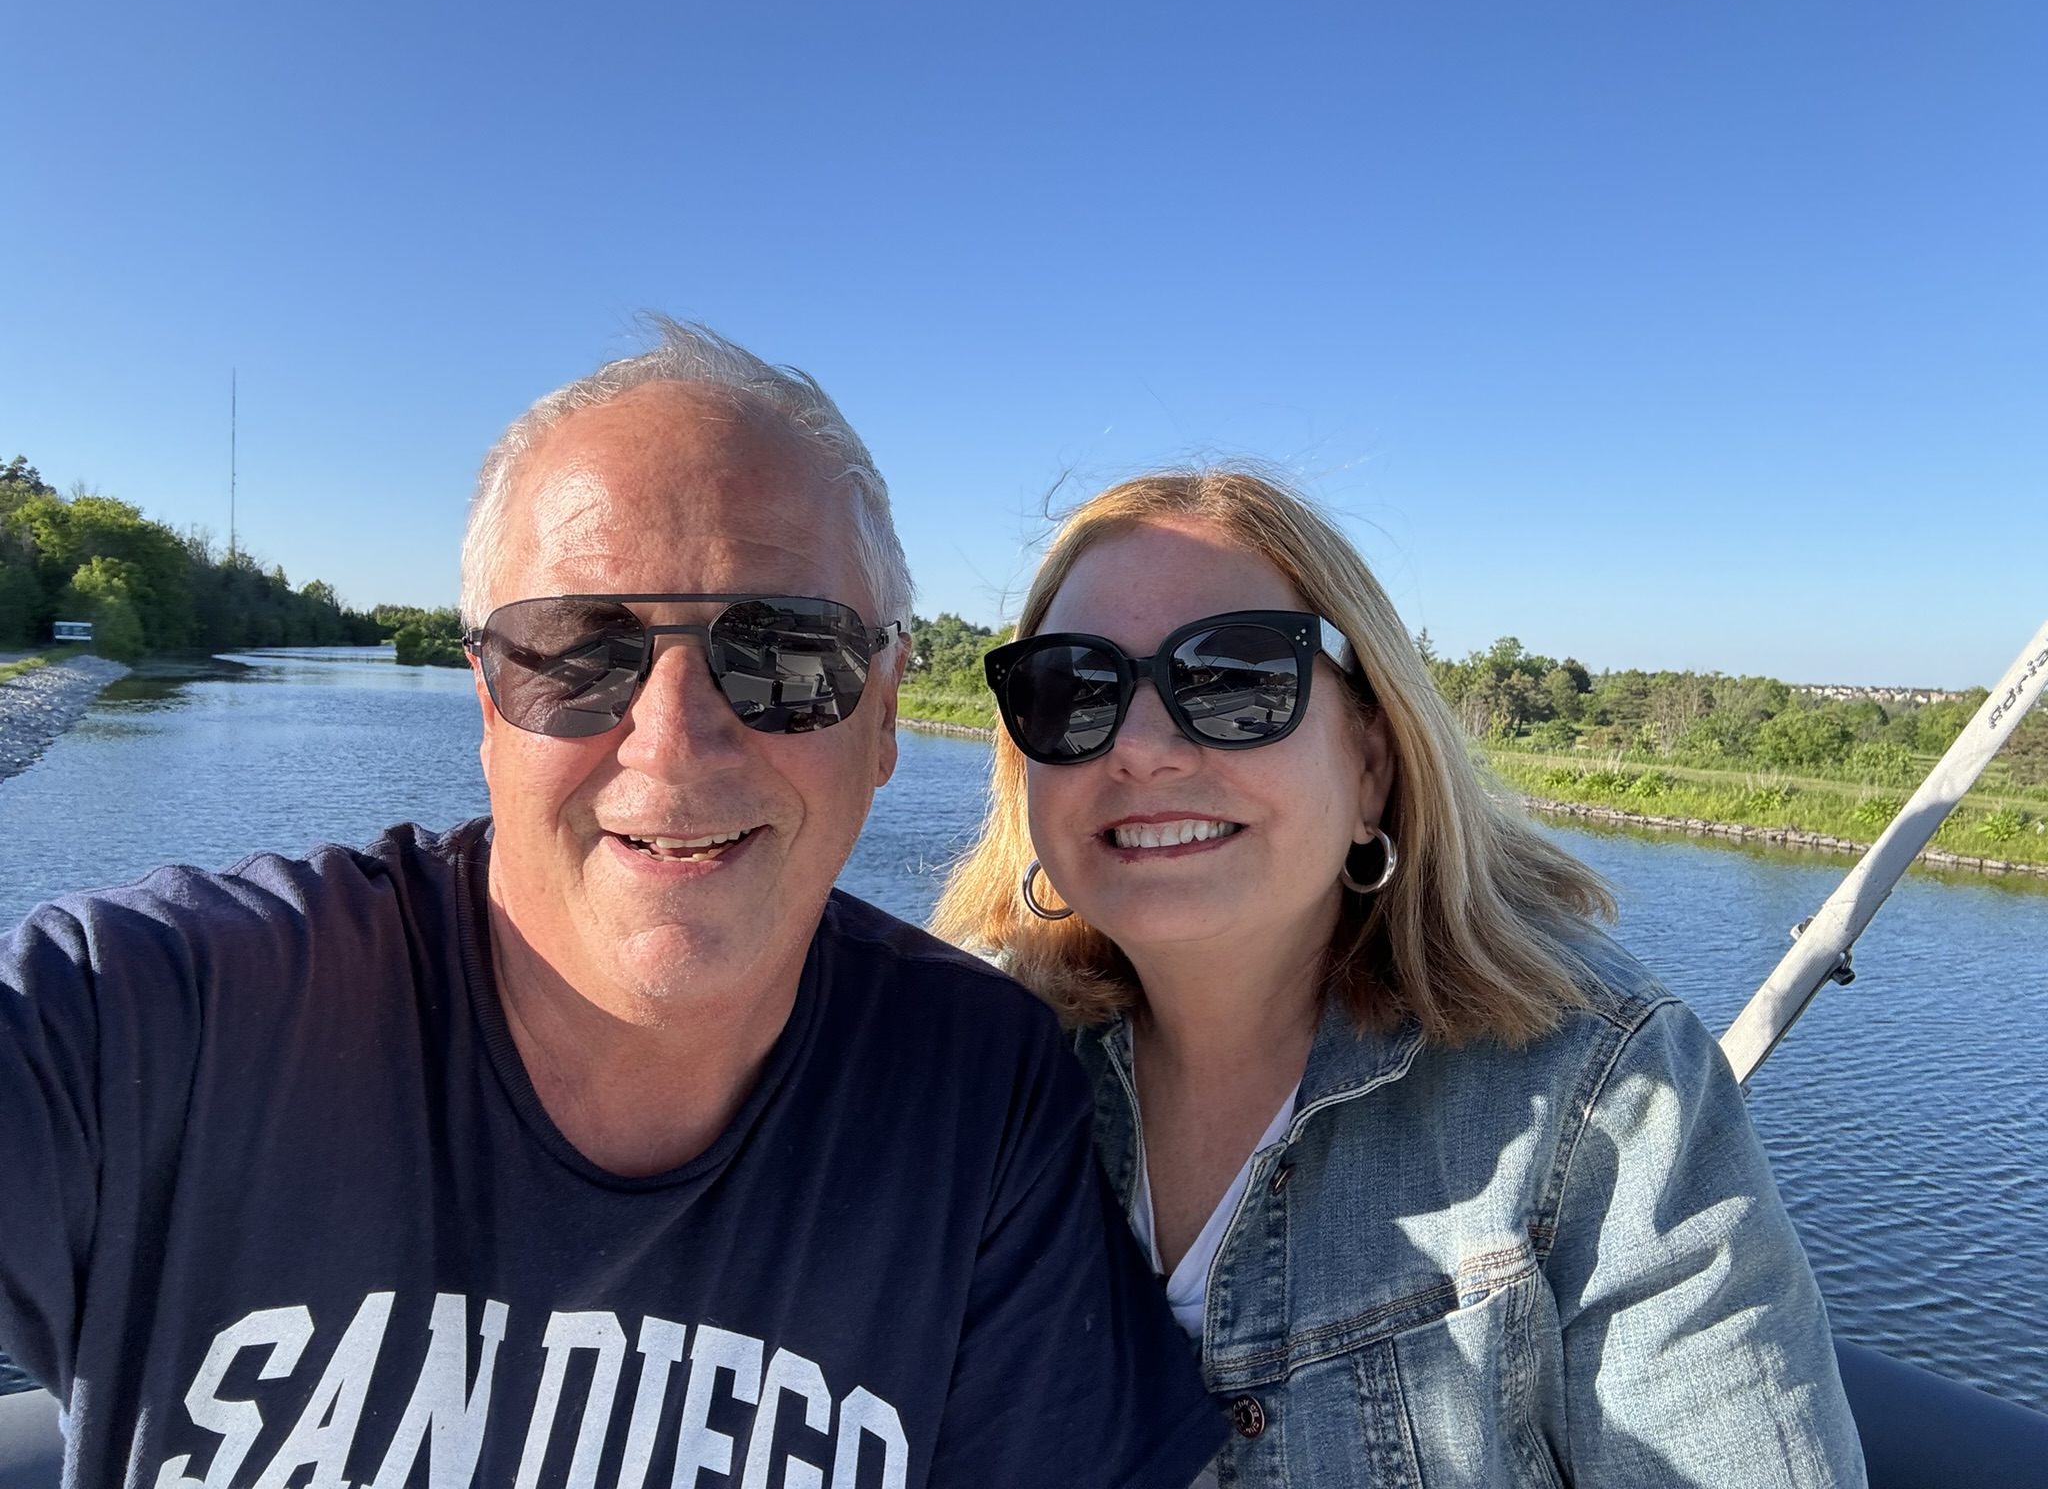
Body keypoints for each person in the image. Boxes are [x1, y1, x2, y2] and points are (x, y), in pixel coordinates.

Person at [0, 322, 1223, 1488]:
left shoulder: (969, 1089)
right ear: (486, 701)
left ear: (889, 709)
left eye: (787, 653)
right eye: (578, 647)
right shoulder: (157, 1017)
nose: (675, 741)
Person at [935, 467, 1867, 1487]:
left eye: (1238, 681)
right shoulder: (965, 1074)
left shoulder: (1605, 1101)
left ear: (1370, 763)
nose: (1144, 748)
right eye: (1072, 691)